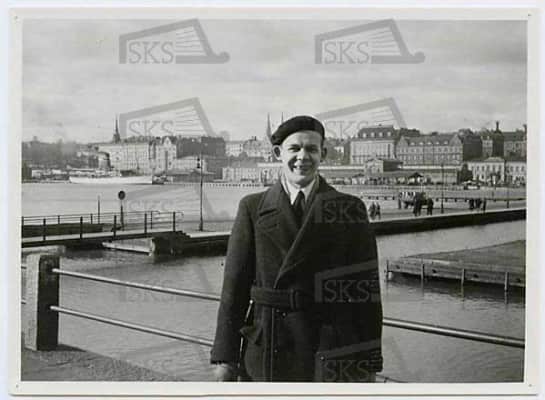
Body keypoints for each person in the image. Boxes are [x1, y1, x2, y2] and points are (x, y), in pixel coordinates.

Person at [211, 116, 383, 382]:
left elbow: (366, 293)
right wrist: (225, 358)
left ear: (323, 154)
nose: (303, 157)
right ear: (278, 153)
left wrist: (368, 364)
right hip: (269, 344)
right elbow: (234, 290)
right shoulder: (252, 208)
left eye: (311, 149)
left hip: (329, 346)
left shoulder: (350, 209)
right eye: (294, 148)